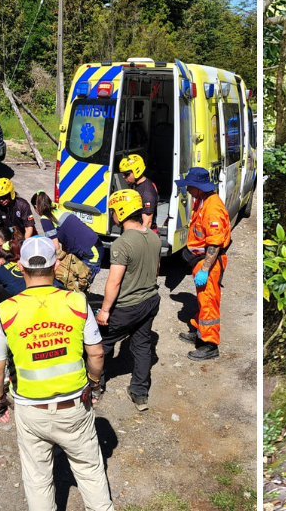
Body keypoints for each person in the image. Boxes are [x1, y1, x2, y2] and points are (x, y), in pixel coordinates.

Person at [0, 237, 114, 511]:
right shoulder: (77, 302)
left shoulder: (6, 310)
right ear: (55, 266)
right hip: (75, 405)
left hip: (31, 410)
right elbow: (97, 353)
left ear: (20, 267)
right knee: (90, 470)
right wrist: (94, 385)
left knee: (38, 478)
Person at [97, 190, 162, 411]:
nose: (112, 215)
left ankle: (96, 385)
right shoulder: (154, 236)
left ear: (120, 212)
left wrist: (105, 310)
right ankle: (140, 393)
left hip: (127, 307)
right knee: (143, 345)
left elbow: (114, 282)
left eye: (113, 211)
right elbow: (156, 270)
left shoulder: (122, 244)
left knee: (102, 344)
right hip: (150, 300)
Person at [175, 167, 231, 361]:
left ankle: (209, 344)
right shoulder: (203, 200)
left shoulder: (212, 208)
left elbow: (214, 243)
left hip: (209, 263)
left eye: (191, 186)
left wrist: (205, 270)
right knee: (202, 301)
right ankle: (200, 332)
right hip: (201, 262)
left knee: (208, 303)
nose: (188, 189)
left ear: (200, 187)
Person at [119, 154, 159, 230]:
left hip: (143, 235)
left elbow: (147, 223)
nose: (123, 177)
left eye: (126, 174)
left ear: (136, 171)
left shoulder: (147, 194)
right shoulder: (135, 184)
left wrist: (138, 239)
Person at [0, 178, 35, 242]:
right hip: (6, 240)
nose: (1, 200)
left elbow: (29, 228)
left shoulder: (22, 205)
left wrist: (24, 245)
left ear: (11, 193)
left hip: (25, 237)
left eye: (4, 197)